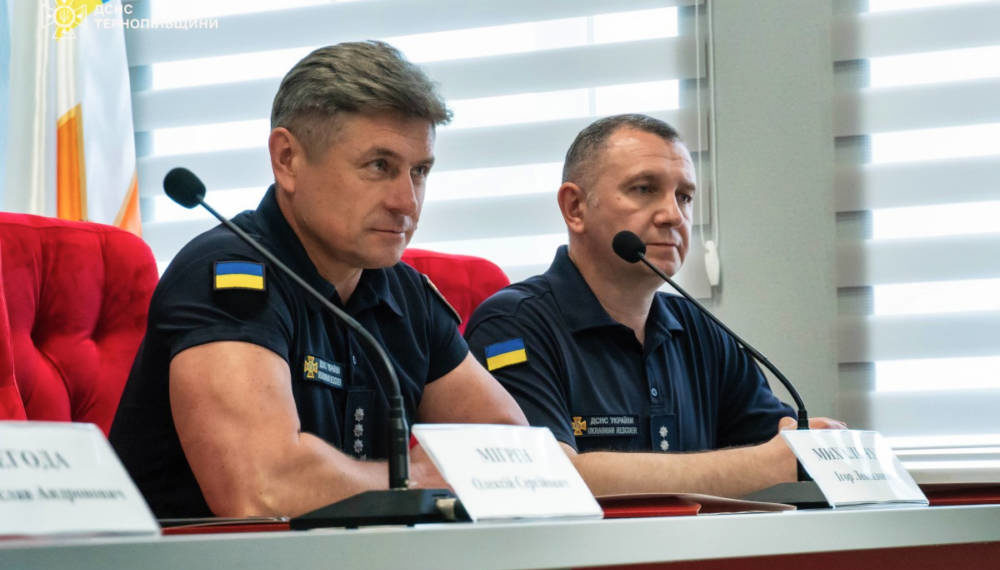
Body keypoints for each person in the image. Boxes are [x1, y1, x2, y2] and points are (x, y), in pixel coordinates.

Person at [110, 41, 526, 518]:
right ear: (287, 159)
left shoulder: (404, 293)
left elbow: (513, 455)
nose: (407, 202)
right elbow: (263, 492)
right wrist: (419, 481)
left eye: (419, 171)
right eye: (379, 166)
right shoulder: (225, 276)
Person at [465, 114, 843, 499]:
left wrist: (815, 446)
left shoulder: (699, 328)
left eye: (685, 197)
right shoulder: (512, 325)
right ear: (575, 207)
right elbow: (549, 475)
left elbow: (778, 444)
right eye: (644, 189)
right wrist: (767, 464)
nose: (673, 216)